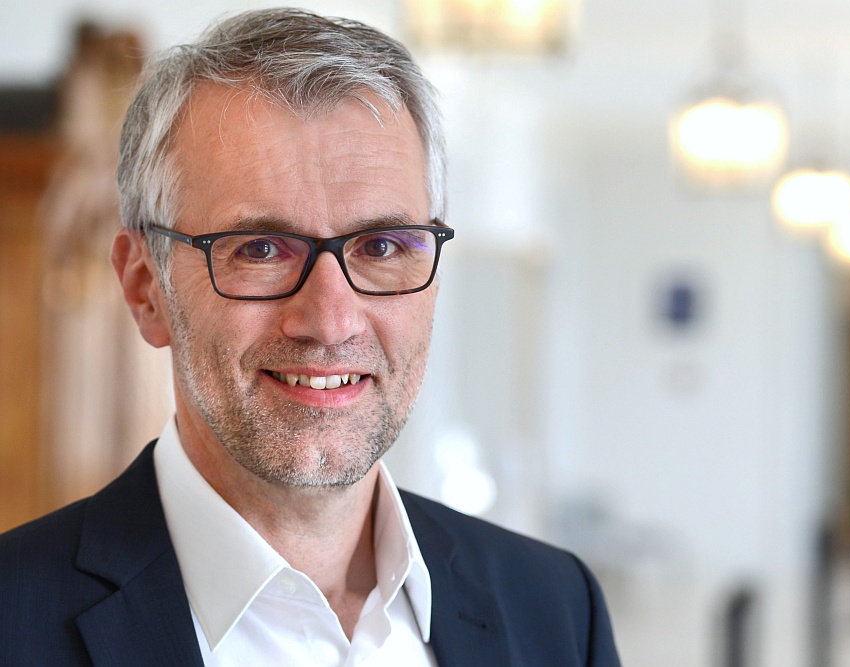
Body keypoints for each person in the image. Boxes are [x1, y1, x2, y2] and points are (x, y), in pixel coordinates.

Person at [0, 8, 620, 666]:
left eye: (381, 246)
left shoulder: (555, 609)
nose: (330, 321)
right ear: (145, 285)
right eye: (261, 249)